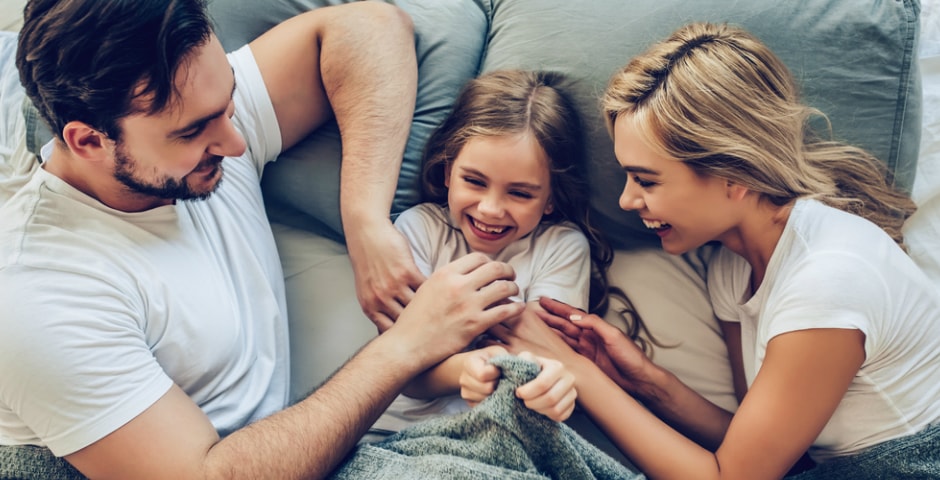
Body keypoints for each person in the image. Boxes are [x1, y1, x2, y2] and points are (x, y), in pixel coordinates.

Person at [0, 1, 530, 478]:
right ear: (88, 141)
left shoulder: (192, 106)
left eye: (230, 103)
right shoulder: (40, 291)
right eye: (193, 132)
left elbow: (370, 28)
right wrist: (407, 345)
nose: (234, 143)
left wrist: (365, 219)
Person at [469, 22, 940, 479]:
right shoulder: (731, 264)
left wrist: (574, 372)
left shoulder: (828, 279)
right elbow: (748, 446)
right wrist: (640, 382)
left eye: (646, 180)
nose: (627, 200)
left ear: (732, 176)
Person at [368, 70, 654, 437]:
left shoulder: (560, 248)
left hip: (503, 435)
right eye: (474, 181)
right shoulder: (418, 231)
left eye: (519, 193)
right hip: (396, 435)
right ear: (446, 173)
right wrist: (468, 368)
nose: (490, 209)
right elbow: (403, 368)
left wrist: (546, 385)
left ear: (551, 199)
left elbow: (544, 358)